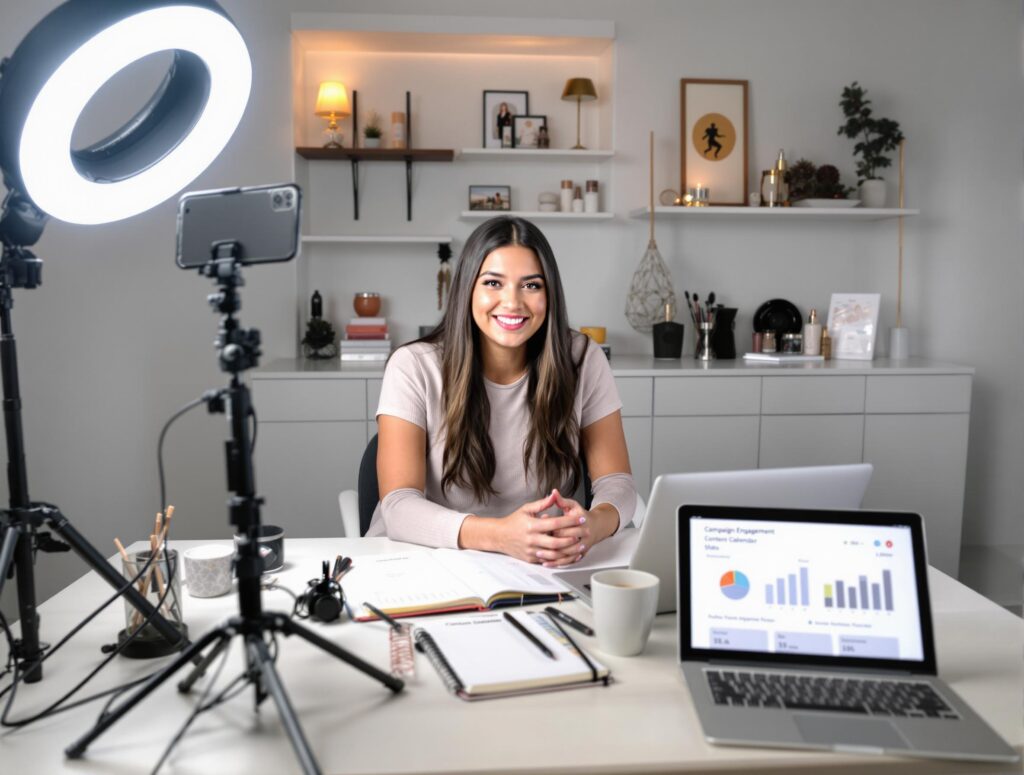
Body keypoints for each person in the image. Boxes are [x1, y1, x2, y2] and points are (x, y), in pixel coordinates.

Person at [367, 216, 636, 567]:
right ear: (468, 289)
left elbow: (618, 483)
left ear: (549, 294)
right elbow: (399, 507)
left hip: (543, 568)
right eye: (493, 282)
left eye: (531, 285)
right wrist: (500, 536)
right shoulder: (413, 366)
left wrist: (592, 525)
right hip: (428, 561)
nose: (512, 303)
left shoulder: (583, 359)